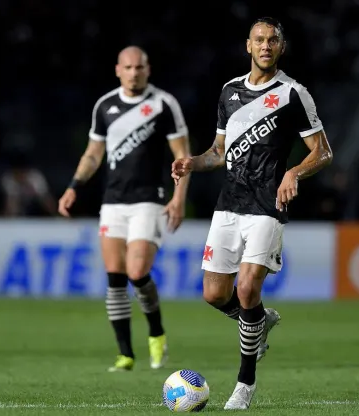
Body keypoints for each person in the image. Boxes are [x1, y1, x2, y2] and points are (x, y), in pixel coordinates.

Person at [171, 17, 333, 409]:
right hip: (229, 204)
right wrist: (193, 162)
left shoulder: (294, 94)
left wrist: (294, 171)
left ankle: (244, 385)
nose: (265, 46)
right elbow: (219, 152)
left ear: (281, 47)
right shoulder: (229, 92)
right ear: (248, 45)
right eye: (259, 40)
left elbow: (323, 151)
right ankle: (260, 320)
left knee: (246, 289)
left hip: (267, 205)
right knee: (214, 294)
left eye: (272, 40)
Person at [58, 46, 191, 372]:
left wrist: (178, 198)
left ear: (148, 69)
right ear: (118, 70)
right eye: (128, 67)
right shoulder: (105, 105)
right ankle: (125, 354)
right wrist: (74, 186)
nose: (134, 73)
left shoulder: (163, 104)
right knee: (116, 277)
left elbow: (182, 156)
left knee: (136, 272)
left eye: (139, 67)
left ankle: (157, 334)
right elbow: (93, 154)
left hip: (150, 199)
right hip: (113, 201)